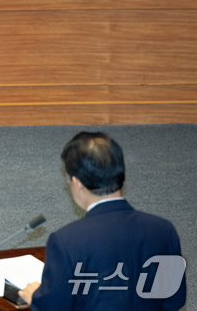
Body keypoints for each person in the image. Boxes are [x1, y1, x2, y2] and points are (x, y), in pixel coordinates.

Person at [18, 132, 186, 310]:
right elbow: (174, 300)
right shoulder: (164, 230)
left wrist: (36, 297)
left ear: (77, 182)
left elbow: (54, 307)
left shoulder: (67, 241)